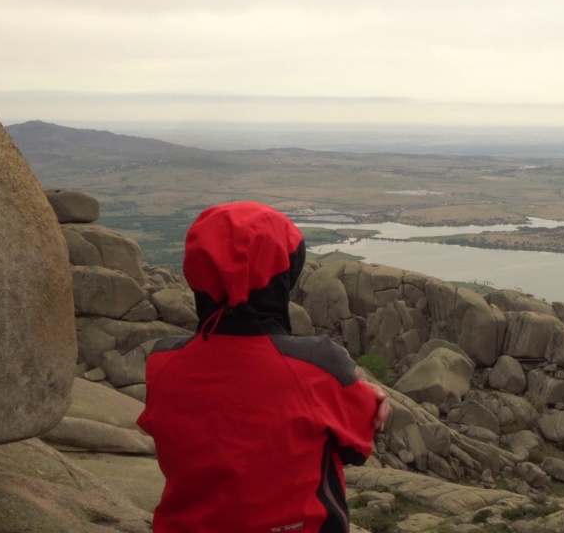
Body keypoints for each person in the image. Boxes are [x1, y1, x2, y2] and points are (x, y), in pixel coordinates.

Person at [138, 201, 390, 533]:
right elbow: (357, 447)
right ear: (283, 274)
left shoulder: (162, 362)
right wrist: (370, 397)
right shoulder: (318, 365)